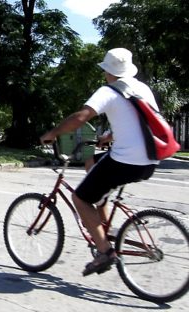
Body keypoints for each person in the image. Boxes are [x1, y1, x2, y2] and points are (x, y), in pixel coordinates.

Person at [40, 48, 159, 276]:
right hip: (150, 160)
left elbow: (81, 117)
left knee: (79, 197)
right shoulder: (143, 89)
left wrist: (53, 133)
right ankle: (102, 222)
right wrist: (110, 136)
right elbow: (144, 123)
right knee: (92, 163)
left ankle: (105, 252)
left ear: (108, 71)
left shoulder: (108, 91)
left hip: (126, 161)